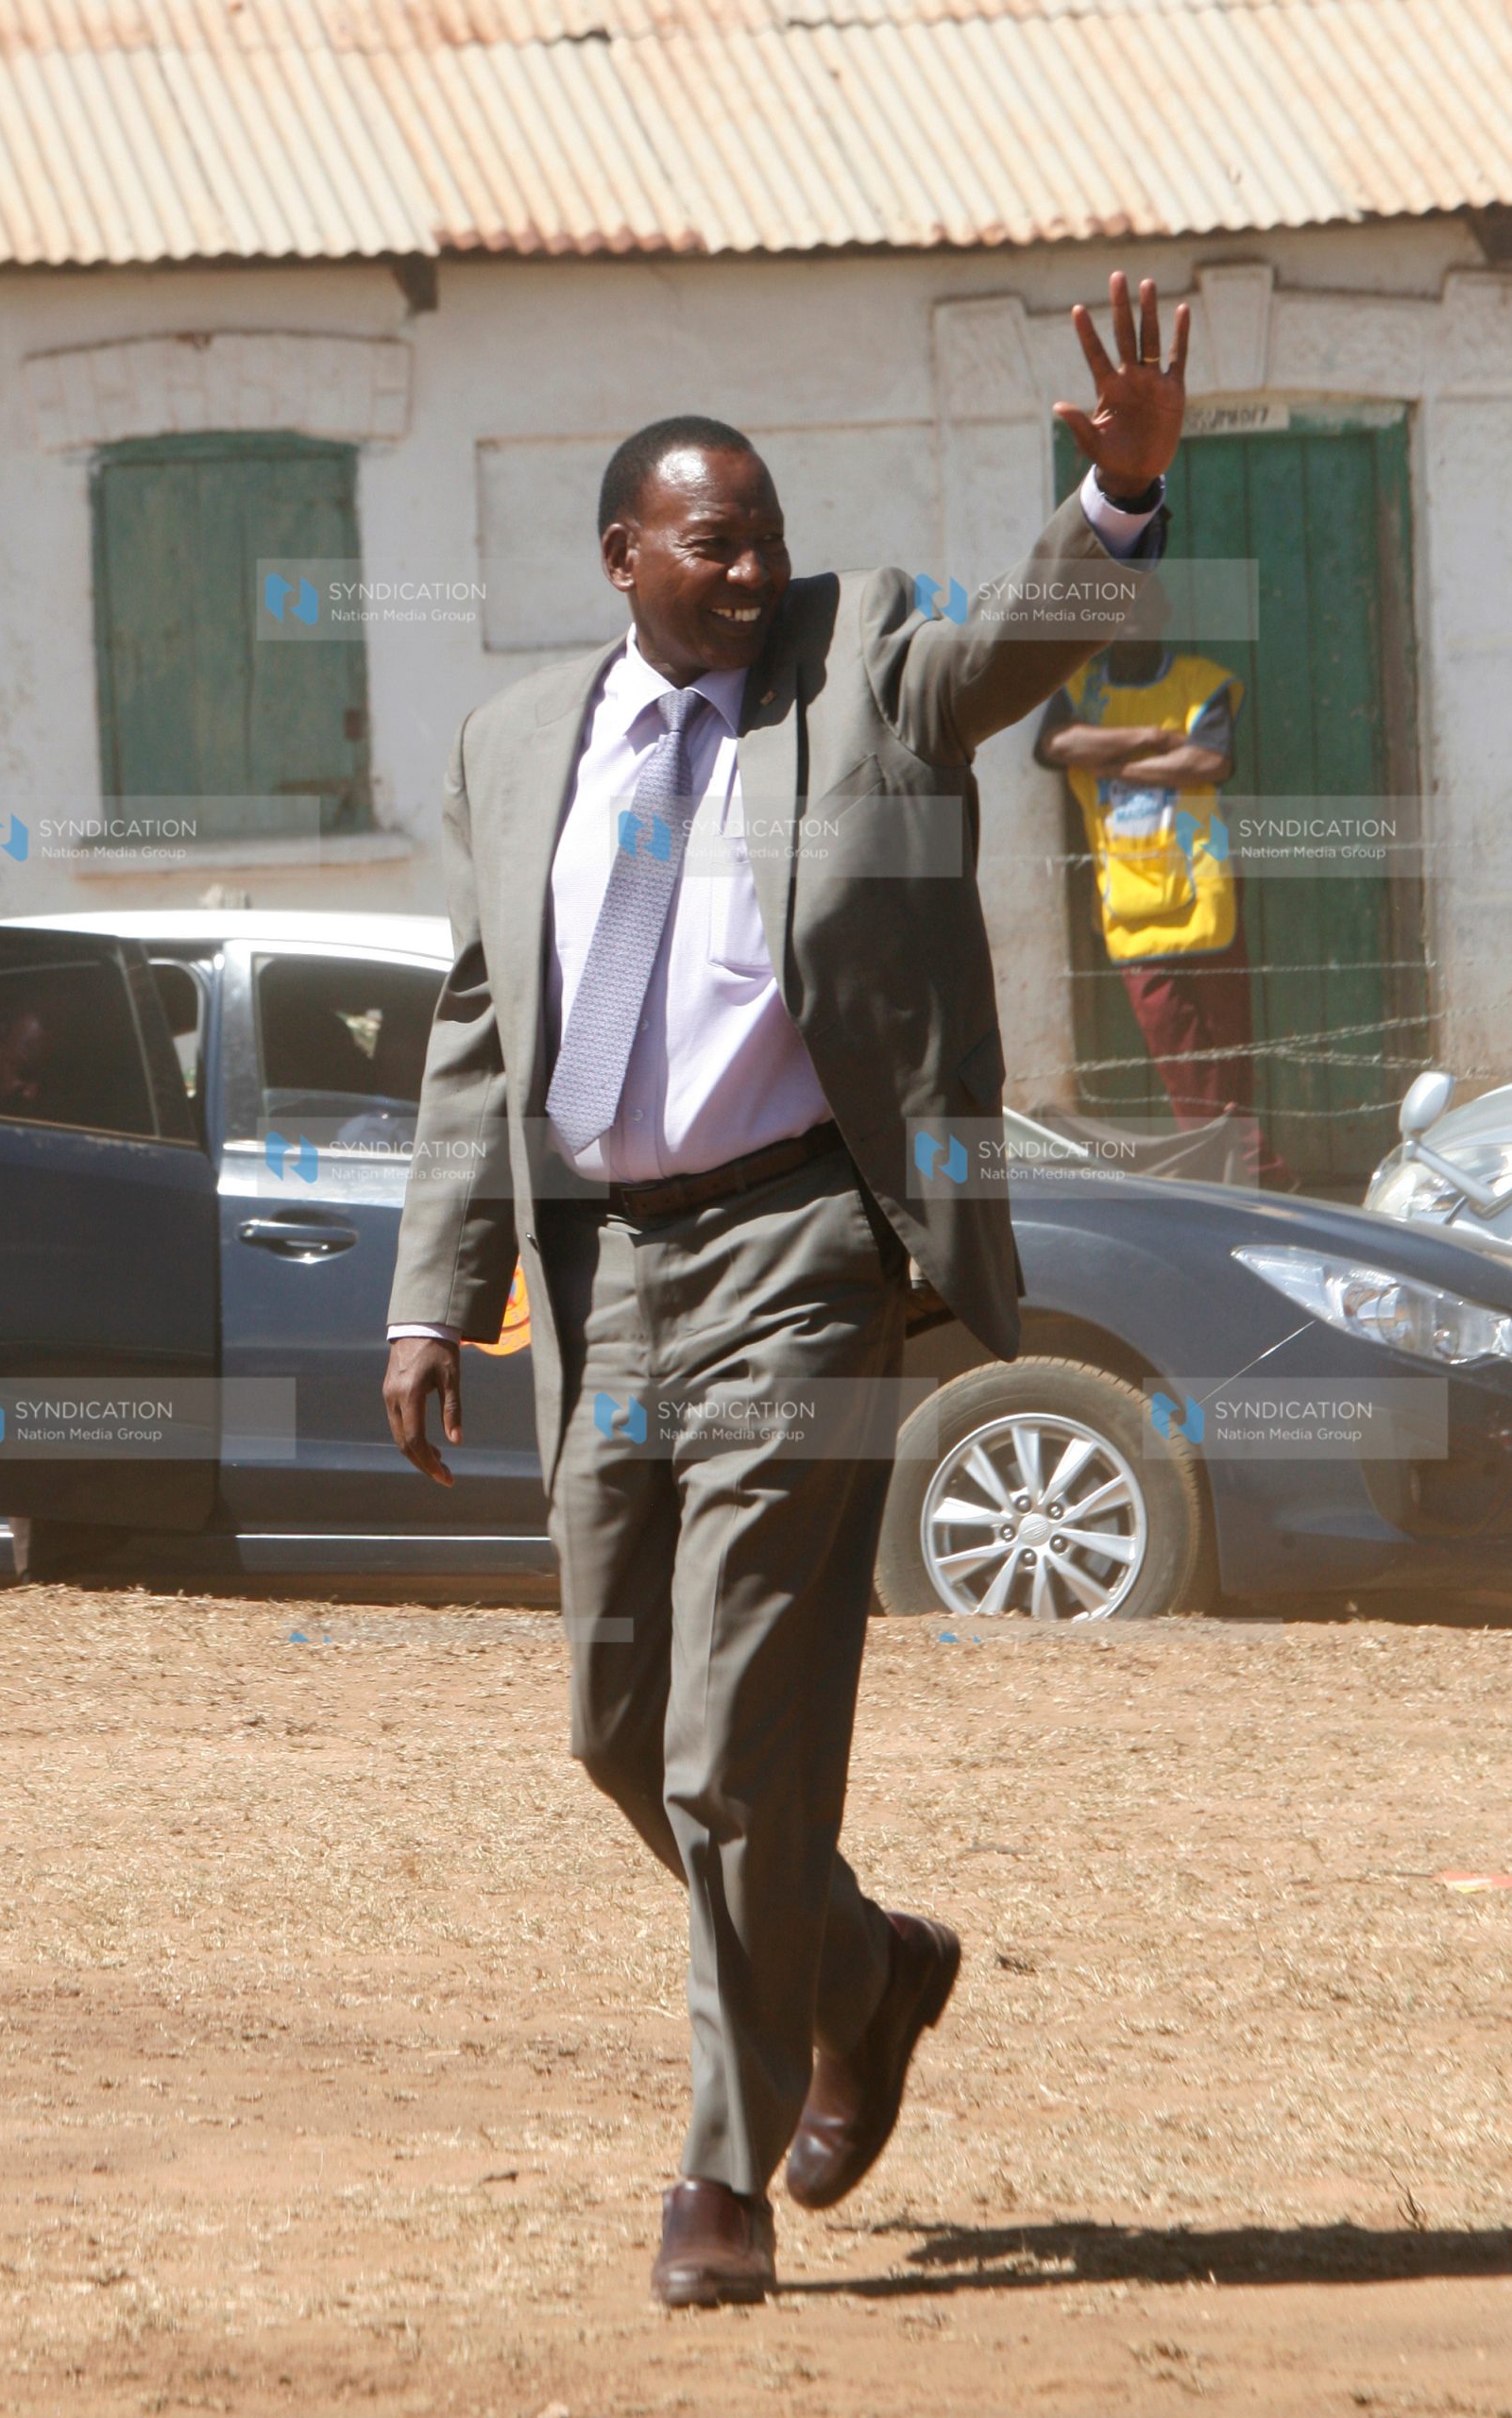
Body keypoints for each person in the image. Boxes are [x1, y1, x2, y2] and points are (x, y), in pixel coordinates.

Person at [383, 275, 1187, 2307]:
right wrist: (432, 1293)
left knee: (737, 1734)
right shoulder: (512, 744)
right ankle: (867, 1967)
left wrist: (1113, 499)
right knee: (616, 1727)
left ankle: (716, 2174)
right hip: (605, 1274)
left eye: (764, 535)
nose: (751, 569)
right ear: (623, 557)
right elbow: (479, 1032)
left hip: (800, 1253)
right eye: (710, 542)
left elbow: (1014, 648)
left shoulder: (865, 666)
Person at [1034, 588, 1295, 1187]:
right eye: (1117, 615)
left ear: (1162, 616)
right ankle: (1253, 1177)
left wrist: (1115, 766)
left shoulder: (1200, 684)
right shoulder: (1080, 690)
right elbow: (1056, 745)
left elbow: (1209, 761)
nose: (1129, 624)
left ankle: (1235, 1178)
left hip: (1205, 893)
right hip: (1129, 904)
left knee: (1227, 1052)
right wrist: (1152, 736)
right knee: (1179, 1056)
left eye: (1141, 612)